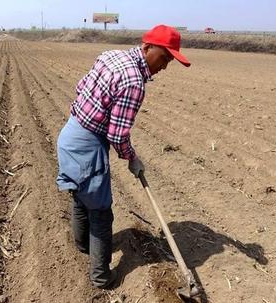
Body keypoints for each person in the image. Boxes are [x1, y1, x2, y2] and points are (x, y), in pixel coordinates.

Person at [56, 24, 191, 288]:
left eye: (170, 61)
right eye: (164, 57)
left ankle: (83, 246)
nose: (164, 66)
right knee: (100, 212)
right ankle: (101, 276)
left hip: (70, 133)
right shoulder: (133, 82)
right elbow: (118, 135)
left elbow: (80, 86)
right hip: (87, 146)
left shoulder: (110, 55)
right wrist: (132, 158)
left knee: (81, 198)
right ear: (147, 47)